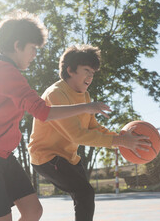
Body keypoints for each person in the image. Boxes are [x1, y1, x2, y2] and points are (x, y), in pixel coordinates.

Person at [0, 11, 111, 221]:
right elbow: (43, 112)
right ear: (17, 45)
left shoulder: (2, 71)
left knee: (33, 211)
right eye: (32, 49)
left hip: (2, 154)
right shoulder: (6, 74)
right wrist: (86, 107)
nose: (34, 55)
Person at [28, 44, 151, 221]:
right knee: (84, 192)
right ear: (70, 70)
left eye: (93, 73)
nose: (91, 76)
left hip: (68, 157)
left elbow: (93, 128)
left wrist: (122, 138)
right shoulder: (55, 94)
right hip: (46, 157)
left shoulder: (84, 95)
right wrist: (121, 142)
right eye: (86, 70)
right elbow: (77, 135)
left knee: (84, 195)